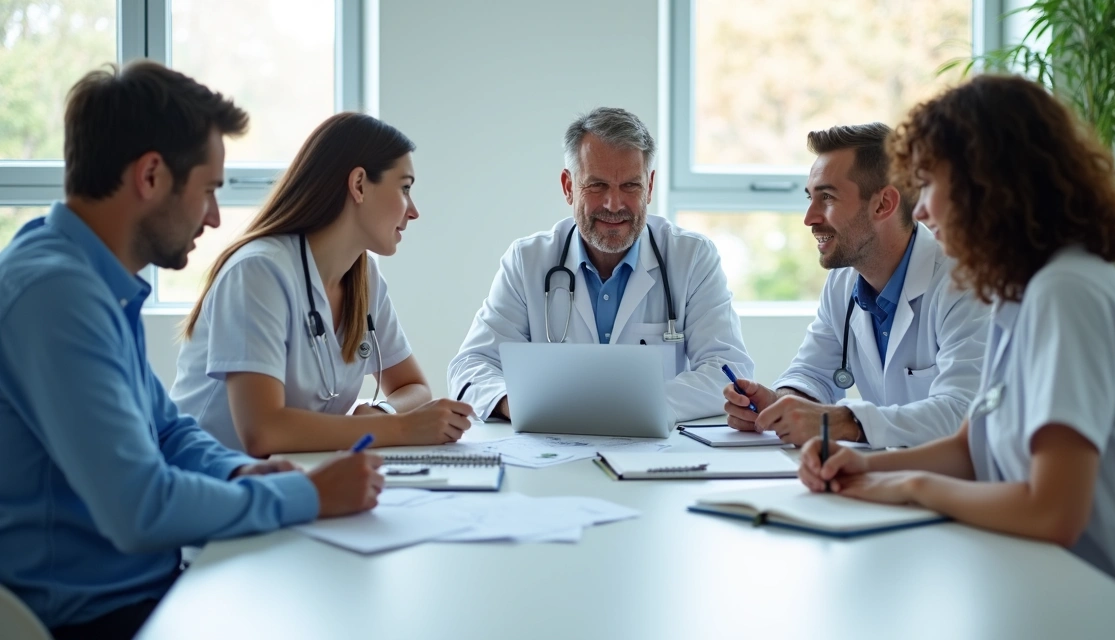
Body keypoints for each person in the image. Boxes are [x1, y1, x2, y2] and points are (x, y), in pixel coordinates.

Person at [800, 74, 1115, 611]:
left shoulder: (1068, 292)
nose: (919, 211)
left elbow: (1053, 512)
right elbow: (971, 448)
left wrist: (912, 487)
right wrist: (862, 466)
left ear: (986, 184)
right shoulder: (1017, 293)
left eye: (928, 184)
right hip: (1080, 585)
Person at [0, 62, 384, 639]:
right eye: (208, 190)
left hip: (149, 588)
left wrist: (244, 470)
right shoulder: (56, 295)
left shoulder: (92, 280)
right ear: (151, 175)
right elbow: (140, 508)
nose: (214, 216)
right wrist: (304, 493)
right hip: (94, 618)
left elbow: (167, 431)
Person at [171, 113, 473, 456]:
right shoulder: (258, 272)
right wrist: (400, 427)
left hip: (291, 474)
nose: (413, 211)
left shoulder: (365, 277)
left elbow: (414, 387)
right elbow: (263, 432)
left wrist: (382, 412)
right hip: (209, 476)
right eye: (404, 188)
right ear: (359, 185)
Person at [448, 107, 753, 422]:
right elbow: (471, 366)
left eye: (630, 186)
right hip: (553, 440)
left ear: (649, 187)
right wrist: (519, 402)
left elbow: (729, 371)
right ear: (569, 187)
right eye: (597, 185)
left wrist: (626, 406)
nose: (614, 204)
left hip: (656, 447)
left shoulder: (692, 257)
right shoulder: (527, 261)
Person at [723, 124, 987, 448]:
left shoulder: (966, 283)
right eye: (810, 198)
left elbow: (965, 411)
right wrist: (781, 403)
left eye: (827, 197)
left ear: (883, 204)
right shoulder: (843, 281)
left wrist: (845, 422)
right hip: (889, 469)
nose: (809, 217)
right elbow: (813, 373)